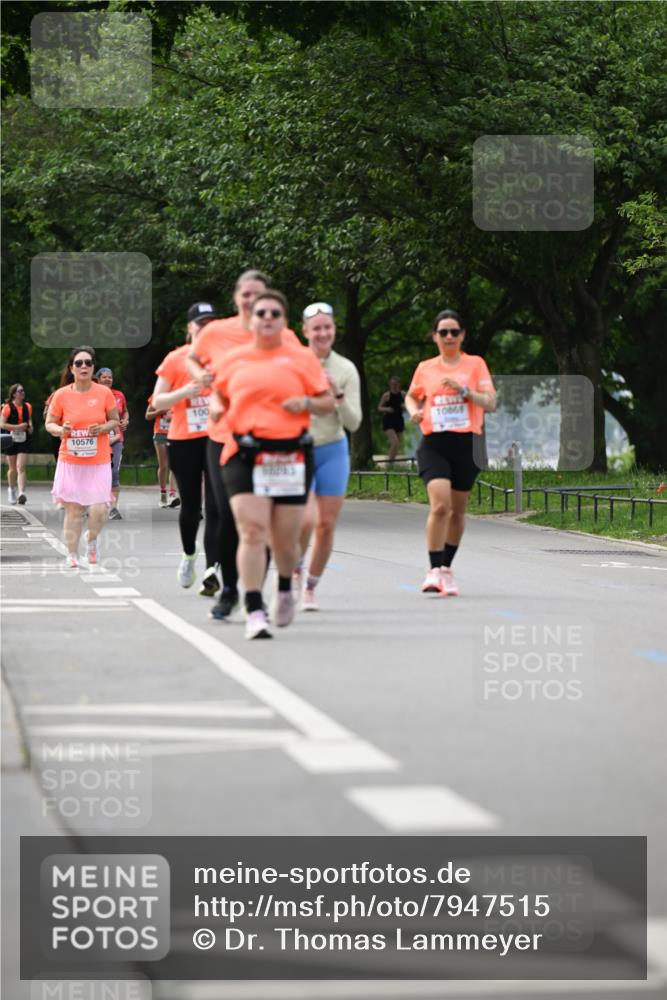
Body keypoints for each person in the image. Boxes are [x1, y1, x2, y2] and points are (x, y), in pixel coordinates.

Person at [210, 290, 334, 639]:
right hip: (244, 452)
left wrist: (305, 401)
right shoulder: (233, 359)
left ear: (283, 320)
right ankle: (253, 608)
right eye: (260, 312)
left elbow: (326, 402)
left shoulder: (301, 359)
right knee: (251, 530)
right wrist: (219, 407)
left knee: (284, 538)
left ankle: (282, 587)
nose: (266, 317)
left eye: (274, 313)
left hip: (290, 454)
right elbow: (219, 392)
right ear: (251, 319)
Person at [186, 269, 301, 620]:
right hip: (223, 437)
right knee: (228, 515)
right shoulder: (216, 332)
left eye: (258, 295)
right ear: (236, 298)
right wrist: (199, 376)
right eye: (246, 294)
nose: (252, 301)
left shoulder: (286, 337)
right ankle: (231, 589)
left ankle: (254, 593)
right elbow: (193, 357)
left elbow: (303, 372)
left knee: (261, 521)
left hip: (270, 442)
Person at [405, 309, 496, 596]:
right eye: (443, 332)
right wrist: (414, 412)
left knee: (457, 511)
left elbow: (491, 402)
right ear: (434, 336)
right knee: (440, 504)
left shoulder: (475, 364)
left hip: (467, 443)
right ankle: (432, 570)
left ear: (462, 335)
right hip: (434, 443)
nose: (448, 336)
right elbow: (411, 395)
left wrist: (466, 392)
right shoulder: (426, 367)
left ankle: (446, 568)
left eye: (454, 332)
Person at [294, 302, 362, 611]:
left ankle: (310, 586)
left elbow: (354, 423)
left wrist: (337, 396)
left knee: (326, 525)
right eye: (316, 328)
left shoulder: (345, 369)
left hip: (333, 450)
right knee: (305, 520)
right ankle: (294, 565)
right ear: (305, 331)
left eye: (328, 327)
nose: (323, 333)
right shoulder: (293, 363)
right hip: (298, 449)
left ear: (334, 330)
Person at [152, 302, 220, 592]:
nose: (205, 328)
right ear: (189, 328)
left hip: (218, 438)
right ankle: (189, 554)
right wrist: (184, 392)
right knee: (192, 506)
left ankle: (211, 570)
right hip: (183, 441)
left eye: (210, 323)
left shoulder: (225, 358)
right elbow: (157, 401)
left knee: (217, 506)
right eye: (199, 323)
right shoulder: (176, 359)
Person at [44, 347, 119, 568]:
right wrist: (61, 430)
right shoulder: (62, 395)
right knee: (74, 509)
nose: (84, 366)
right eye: (79, 363)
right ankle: (72, 554)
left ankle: (91, 539)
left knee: (99, 508)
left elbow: (115, 420)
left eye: (88, 363)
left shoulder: (104, 393)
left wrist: (103, 427)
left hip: (98, 460)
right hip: (71, 460)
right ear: (71, 368)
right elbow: (49, 424)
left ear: (93, 367)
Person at [95, 368, 128, 520]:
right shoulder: (92, 395)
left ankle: (113, 509)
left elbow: (125, 411)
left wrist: (126, 420)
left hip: (116, 439)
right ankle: (93, 505)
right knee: (95, 474)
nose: (108, 379)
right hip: (97, 439)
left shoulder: (119, 395)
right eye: (105, 377)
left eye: (110, 377)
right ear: (98, 379)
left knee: (113, 472)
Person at [1, 384, 33, 504]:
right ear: (14, 394)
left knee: (21, 466)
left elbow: (29, 419)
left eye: (23, 391)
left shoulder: (28, 406)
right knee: (12, 467)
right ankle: (12, 490)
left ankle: (21, 493)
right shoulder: (7, 408)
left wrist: (30, 427)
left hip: (24, 439)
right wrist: (17, 427)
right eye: (20, 391)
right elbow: (2, 424)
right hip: (10, 440)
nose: (23, 393)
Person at [145, 395, 180, 508]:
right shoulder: (157, 395)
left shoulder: (180, 394)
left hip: (176, 433)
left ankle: (172, 495)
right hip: (160, 433)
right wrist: (160, 411)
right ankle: (163, 493)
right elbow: (147, 416)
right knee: (163, 465)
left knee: (174, 465)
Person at [378, 375, 405, 463]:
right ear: (390, 384)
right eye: (392, 384)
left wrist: (404, 406)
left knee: (397, 444)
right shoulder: (387, 395)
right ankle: (389, 463)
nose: (394, 386)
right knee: (395, 442)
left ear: (399, 385)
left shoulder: (403, 394)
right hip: (389, 420)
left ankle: (392, 462)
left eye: (396, 384)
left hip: (399, 420)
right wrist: (387, 409)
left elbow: (409, 405)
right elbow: (379, 407)